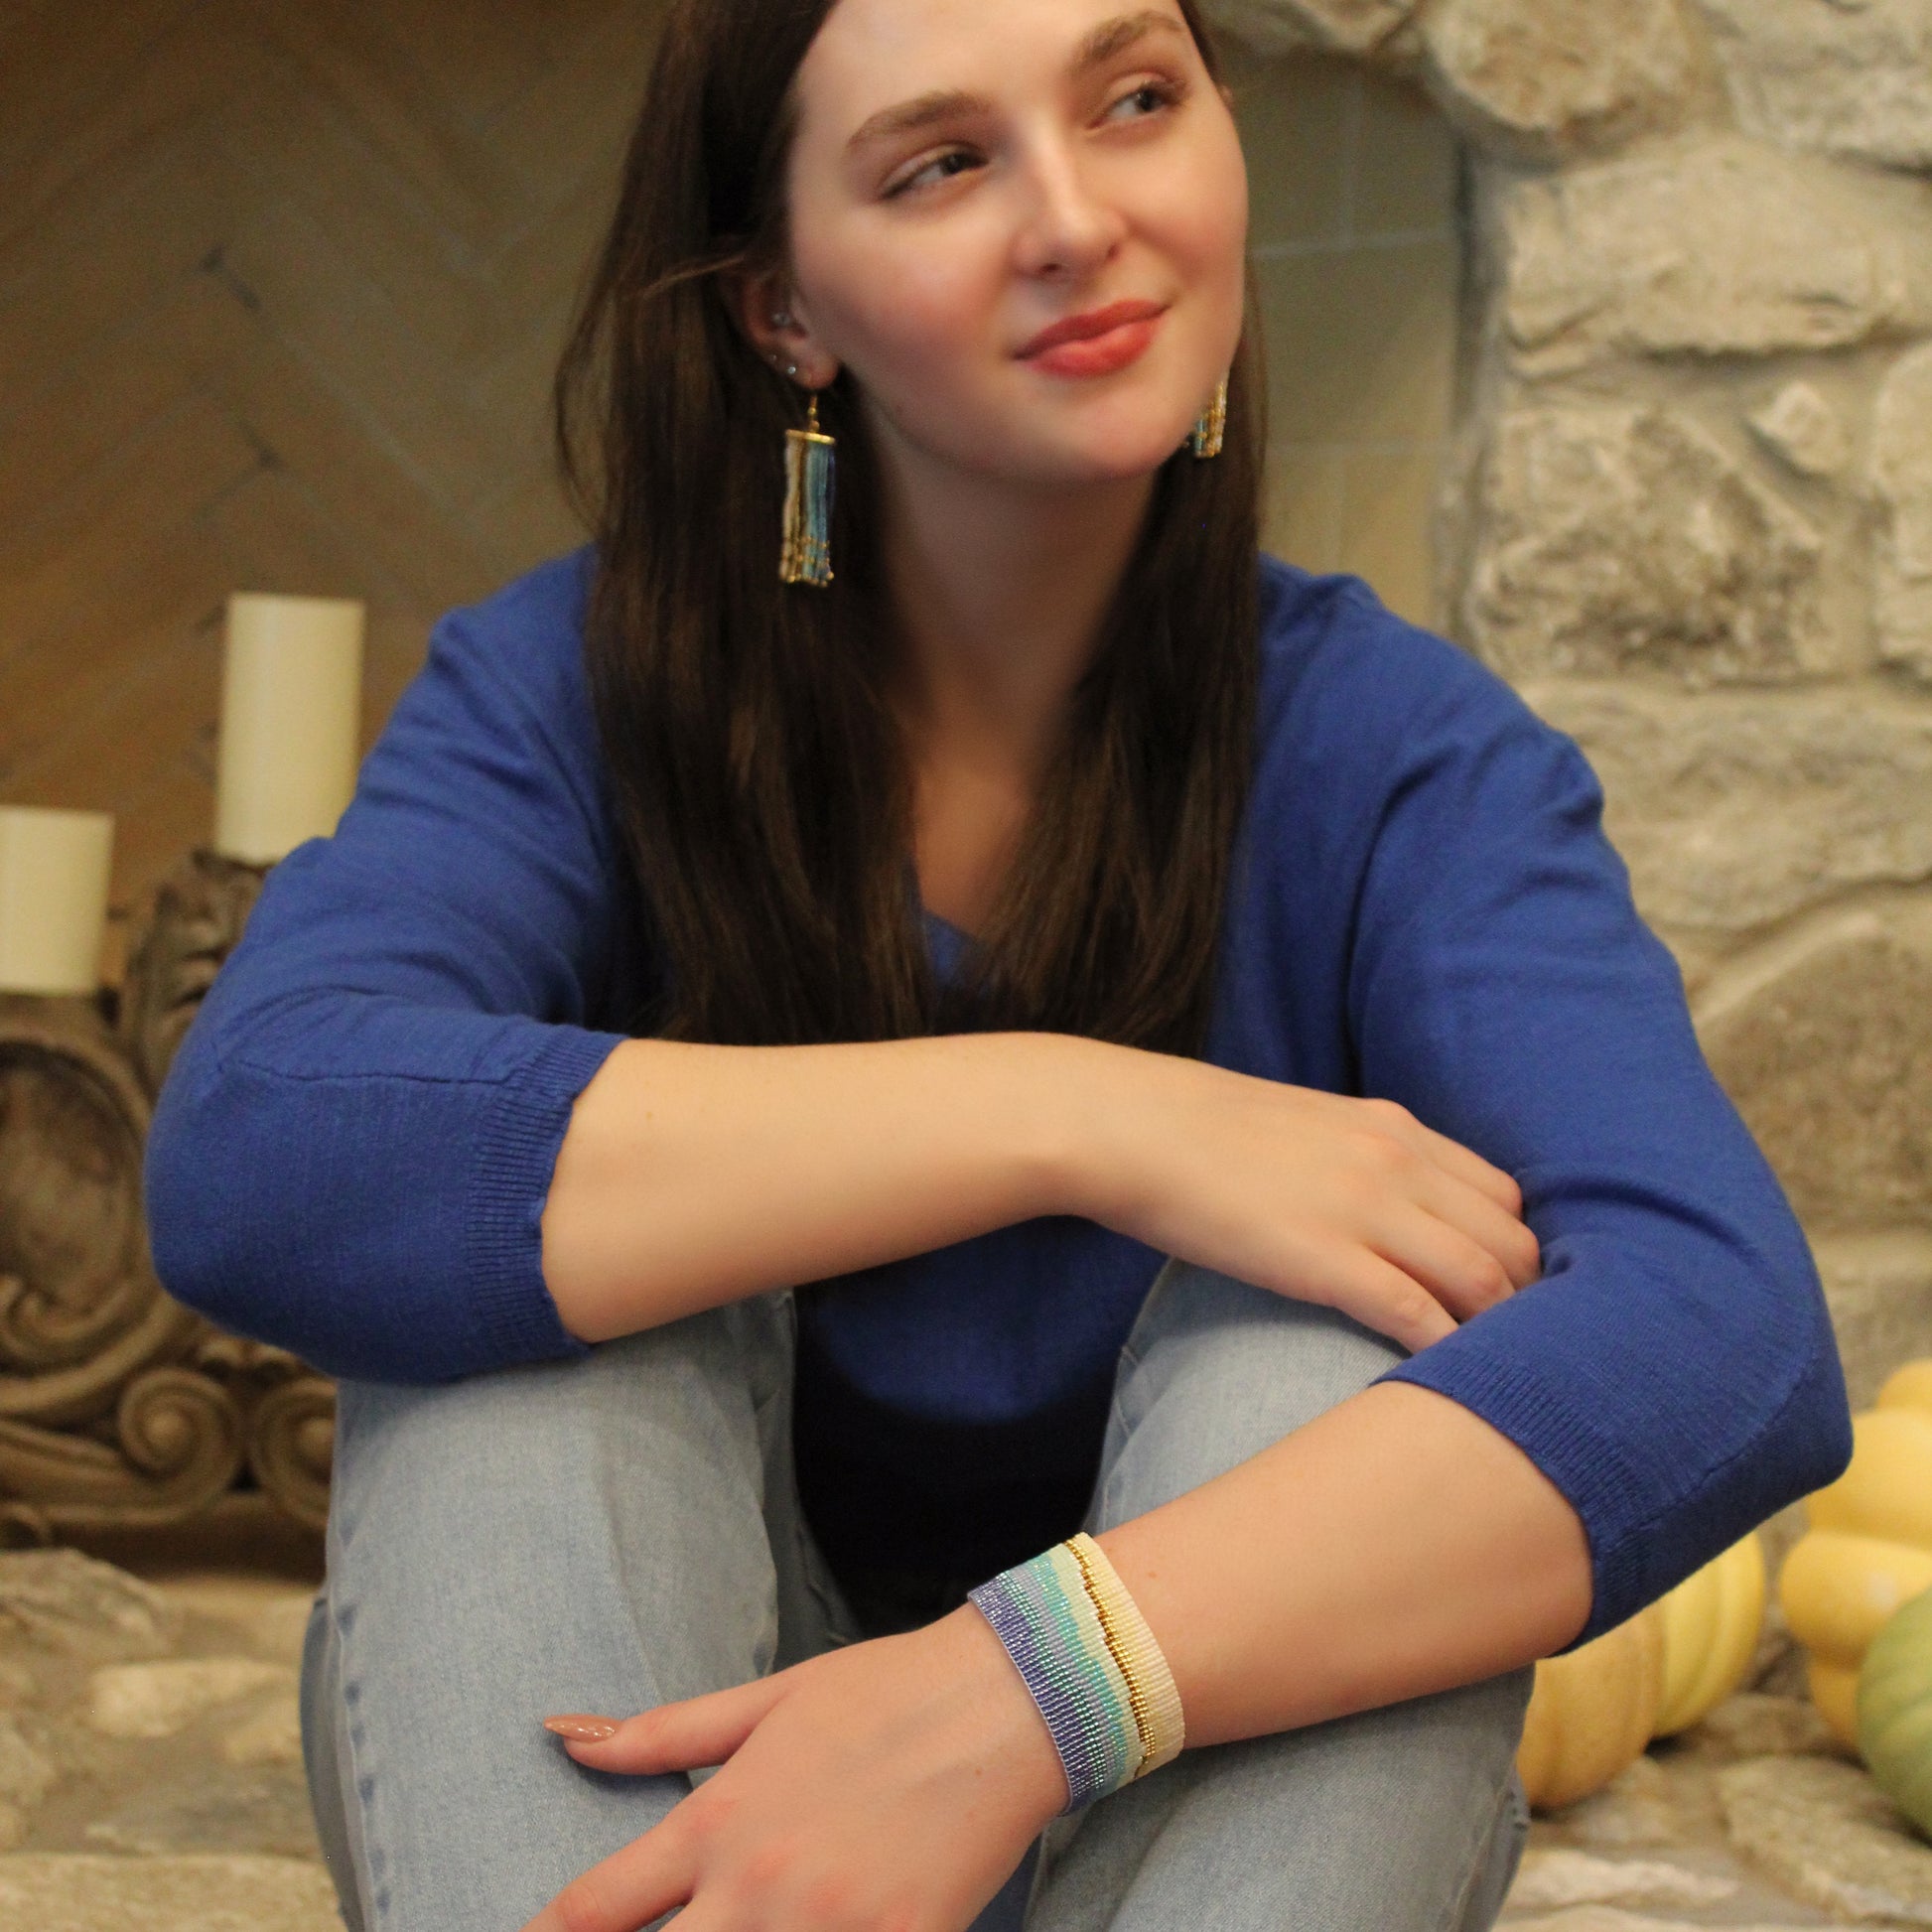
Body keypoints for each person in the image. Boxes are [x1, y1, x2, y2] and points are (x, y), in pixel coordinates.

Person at [142, 0, 1854, 1927]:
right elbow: (260, 1141)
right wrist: (1082, 1114)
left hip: (1186, 1803)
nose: (1076, 220)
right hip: (682, 1782)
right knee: (518, 1363)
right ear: (782, 306)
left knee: (1316, 1348)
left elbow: (1726, 1335)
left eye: (1134, 99)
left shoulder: (1407, 762)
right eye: (942, 162)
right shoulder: (573, 693)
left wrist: (1022, 1689)